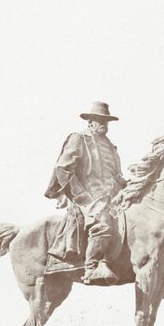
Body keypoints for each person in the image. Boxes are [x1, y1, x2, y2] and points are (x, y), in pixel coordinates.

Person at [44, 102, 128, 285]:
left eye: (106, 121)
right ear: (90, 122)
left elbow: (117, 175)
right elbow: (63, 170)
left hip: (111, 196)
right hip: (88, 197)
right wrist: (82, 197)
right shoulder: (79, 139)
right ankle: (92, 267)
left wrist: (130, 185)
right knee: (103, 223)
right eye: (99, 120)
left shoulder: (110, 146)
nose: (103, 125)